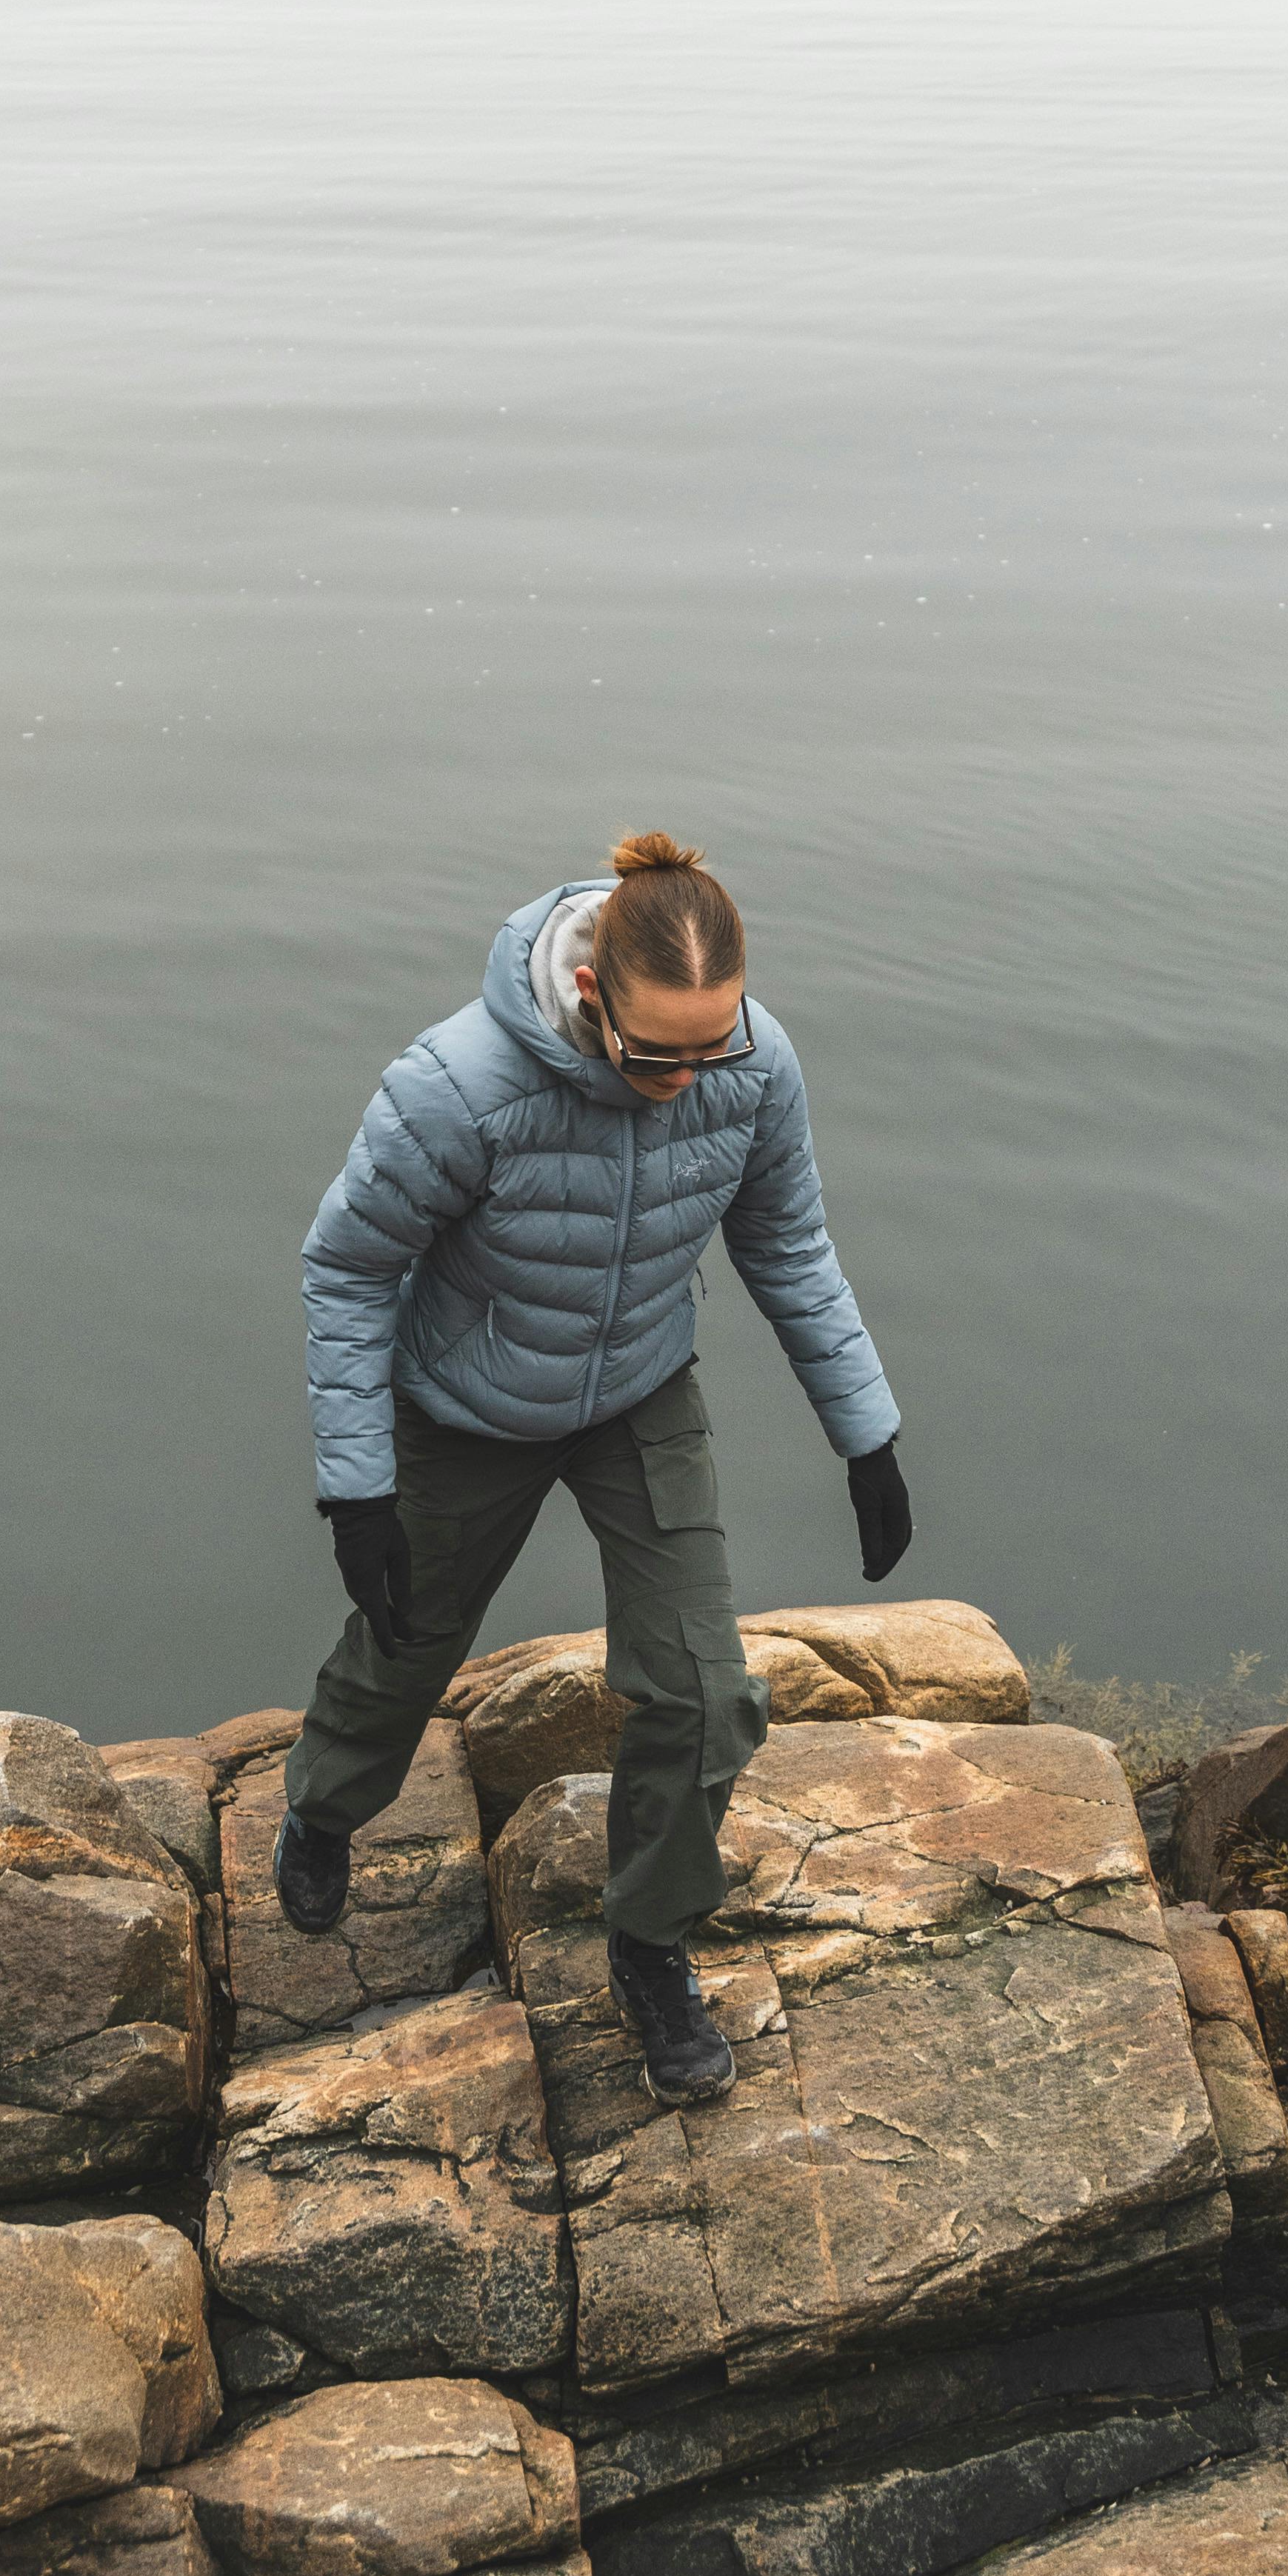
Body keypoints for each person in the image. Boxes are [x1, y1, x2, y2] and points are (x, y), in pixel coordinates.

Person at [278, 827, 911, 2109]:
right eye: (655, 1051)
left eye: (713, 1044)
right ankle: (324, 1808)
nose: (687, 1077)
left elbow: (786, 1244)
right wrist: (356, 1486)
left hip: (637, 1388)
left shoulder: (753, 1066)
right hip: (465, 1405)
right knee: (408, 1638)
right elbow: (347, 1267)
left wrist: (869, 1434)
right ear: (587, 995)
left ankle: (650, 1940)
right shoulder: (456, 1086)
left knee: (707, 1691)